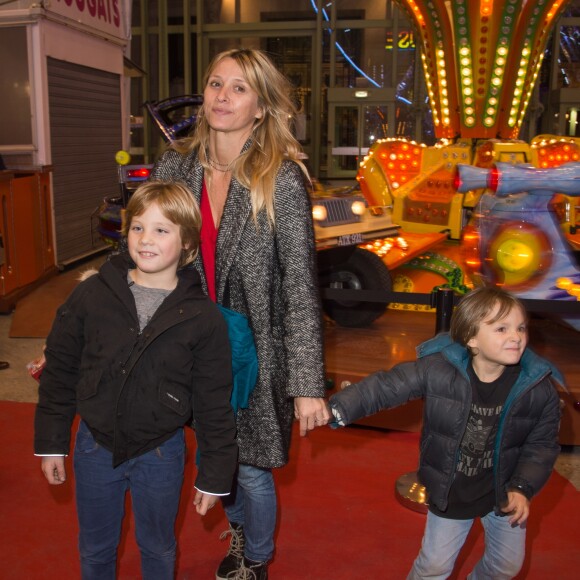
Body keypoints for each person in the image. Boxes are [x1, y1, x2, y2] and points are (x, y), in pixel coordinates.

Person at [150, 47, 331, 579]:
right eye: (214, 84)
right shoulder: (173, 166)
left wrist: (307, 382)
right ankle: (239, 532)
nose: (222, 96)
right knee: (214, 457)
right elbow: (141, 254)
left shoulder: (282, 177)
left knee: (250, 467)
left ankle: (255, 556)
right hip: (190, 345)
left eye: (239, 87)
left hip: (258, 350)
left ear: (260, 107)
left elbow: (299, 282)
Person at [34, 180, 238, 580]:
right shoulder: (92, 294)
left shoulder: (203, 318)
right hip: (94, 447)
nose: (146, 239)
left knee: (158, 546)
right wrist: (51, 443)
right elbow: (59, 371)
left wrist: (215, 474)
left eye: (162, 230)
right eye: (138, 227)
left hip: (161, 453)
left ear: (187, 245)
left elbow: (214, 401)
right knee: (95, 548)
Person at [328, 287, 563, 579]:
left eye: (520, 327)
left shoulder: (537, 387)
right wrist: (337, 409)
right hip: (453, 490)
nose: (516, 337)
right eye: (501, 328)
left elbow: (541, 445)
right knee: (434, 566)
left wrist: (522, 486)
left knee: (507, 566)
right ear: (472, 339)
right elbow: (388, 386)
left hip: (505, 490)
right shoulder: (438, 369)